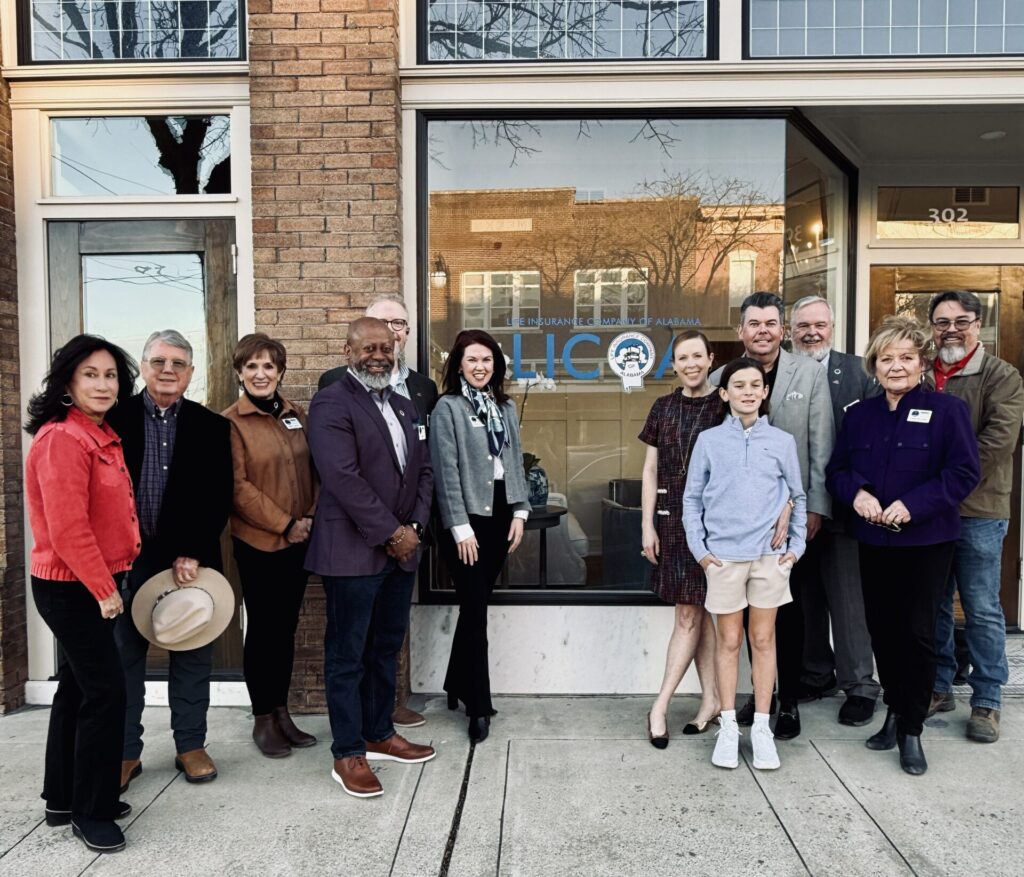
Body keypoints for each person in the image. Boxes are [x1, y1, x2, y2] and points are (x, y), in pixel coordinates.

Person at [826, 316, 980, 776]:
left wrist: (912, 505)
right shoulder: (860, 415)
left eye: (906, 358)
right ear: (874, 366)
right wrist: (857, 493)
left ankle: (912, 728)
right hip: (874, 541)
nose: (896, 367)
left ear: (922, 363)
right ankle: (894, 710)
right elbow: (837, 471)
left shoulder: (947, 411)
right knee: (883, 631)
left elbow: (963, 473)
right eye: (886, 359)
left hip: (926, 543)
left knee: (916, 634)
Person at [306, 317, 435, 799]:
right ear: (348, 351)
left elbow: (424, 471)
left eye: (386, 347)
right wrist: (391, 533)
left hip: (401, 552)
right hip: (352, 553)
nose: (378, 356)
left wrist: (415, 528)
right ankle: (348, 752)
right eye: (368, 348)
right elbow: (342, 477)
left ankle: (380, 732)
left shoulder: (404, 405)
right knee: (347, 656)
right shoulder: (331, 402)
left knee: (385, 648)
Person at [24, 335, 140, 853]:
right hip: (73, 587)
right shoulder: (63, 439)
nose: (103, 384)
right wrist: (104, 590)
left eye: (110, 375)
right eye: (90, 374)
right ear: (68, 382)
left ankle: (63, 798)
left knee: (76, 689)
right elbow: (68, 528)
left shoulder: (99, 434)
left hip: (92, 582)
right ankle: (92, 812)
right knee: (106, 693)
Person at [108, 330, 233, 788]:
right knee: (124, 656)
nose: (168, 370)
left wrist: (193, 551)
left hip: (189, 561)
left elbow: (218, 496)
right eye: (159, 361)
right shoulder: (112, 420)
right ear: (143, 367)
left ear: (190, 372)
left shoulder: (212, 426)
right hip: (127, 559)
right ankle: (125, 751)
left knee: (192, 652)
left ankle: (191, 745)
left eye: (178, 363)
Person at [711, 291, 834, 739]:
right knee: (745, 617)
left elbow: (821, 443)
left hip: (791, 518)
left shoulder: (809, 372)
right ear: (741, 330)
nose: (762, 331)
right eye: (754, 323)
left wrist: (811, 505)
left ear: (782, 330)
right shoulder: (721, 377)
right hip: (739, 521)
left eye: (770, 323)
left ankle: (790, 700)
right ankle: (759, 695)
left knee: (790, 610)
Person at [683, 357, 807, 772]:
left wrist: (795, 547)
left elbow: (797, 495)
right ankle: (728, 726)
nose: (748, 392)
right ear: (724, 393)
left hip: (769, 558)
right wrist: (701, 551)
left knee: (764, 639)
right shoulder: (709, 441)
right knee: (729, 641)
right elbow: (691, 499)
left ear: (765, 391)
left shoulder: (782, 441)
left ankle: (762, 728)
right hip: (724, 558)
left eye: (755, 385)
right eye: (739, 385)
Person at [926, 290, 1024, 743]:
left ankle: (987, 699)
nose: (951, 330)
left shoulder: (1001, 376)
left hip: (978, 510)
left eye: (961, 321)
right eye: (942, 321)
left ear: (977, 325)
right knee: (935, 604)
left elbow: (998, 442)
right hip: (929, 512)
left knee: (982, 607)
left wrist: (942, 485)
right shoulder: (922, 374)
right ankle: (940, 685)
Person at [429, 329, 531, 744]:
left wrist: (521, 510)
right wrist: (459, 527)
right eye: (472, 359)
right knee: (475, 610)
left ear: (496, 365)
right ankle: (479, 705)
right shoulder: (447, 408)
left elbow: (515, 460)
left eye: (487, 360)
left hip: (501, 515)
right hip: (467, 520)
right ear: (458, 364)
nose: (480, 366)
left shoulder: (504, 407)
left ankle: (456, 682)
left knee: (475, 606)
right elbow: (445, 470)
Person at [223, 333, 318, 758]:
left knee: (285, 628)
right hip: (259, 544)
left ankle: (282, 711)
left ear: (280, 372)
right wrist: (285, 524)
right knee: (263, 631)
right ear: (239, 373)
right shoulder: (230, 423)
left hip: (300, 540)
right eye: (252, 366)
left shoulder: (296, 415)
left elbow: (315, 470)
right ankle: (263, 717)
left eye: (268, 366)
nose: (260, 374)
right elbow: (238, 487)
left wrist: (309, 518)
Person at [789, 295, 881, 727]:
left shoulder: (861, 372)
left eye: (819, 325)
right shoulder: (783, 371)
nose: (812, 333)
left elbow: (875, 440)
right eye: (803, 326)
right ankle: (816, 674)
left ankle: (860, 686)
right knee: (805, 598)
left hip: (845, 508)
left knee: (848, 601)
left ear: (832, 327)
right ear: (792, 331)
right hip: (795, 510)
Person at [640, 331, 721, 747]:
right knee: (692, 611)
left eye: (697, 356)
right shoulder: (663, 407)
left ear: (710, 359)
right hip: (672, 523)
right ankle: (693, 702)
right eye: (682, 358)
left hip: (715, 525)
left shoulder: (725, 405)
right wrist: (646, 524)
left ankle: (674, 704)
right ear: (674, 365)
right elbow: (650, 470)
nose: (690, 364)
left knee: (696, 611)